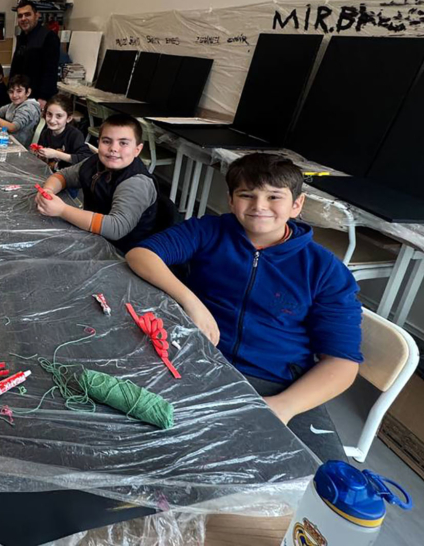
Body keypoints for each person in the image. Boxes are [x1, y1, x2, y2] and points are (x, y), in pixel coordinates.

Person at [125, 154, 362, 461]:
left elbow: (342, 363)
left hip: (275, 382)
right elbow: (142, 255)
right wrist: (192, 302)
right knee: (150, 444)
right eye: (247, 195)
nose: (259, 206)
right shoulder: (209, 230)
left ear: (296, 205)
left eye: (274, 197)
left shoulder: (324, 270)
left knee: (319, 475)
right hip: (198, 362)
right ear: (231, 200)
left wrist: (283, 406)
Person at [36, 113, 163, 254]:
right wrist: (48, 191)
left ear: (137, 150)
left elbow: (116, 228)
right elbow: (64, 175)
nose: (113, 148)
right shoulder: (94, 162)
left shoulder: (136, 183)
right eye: (107, 141)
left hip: (121, 253)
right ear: (99, 142)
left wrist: (62, 210)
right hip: (92, 235)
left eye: (123, 143)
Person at [9, 0, 60, 109]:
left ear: (37, 15)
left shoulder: (48, 37)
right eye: (20, 16)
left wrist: (43, 98)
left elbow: (50, 71)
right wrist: (11, 91)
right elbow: (16, 67)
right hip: (22, 96)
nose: (23, 18)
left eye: (27, 14)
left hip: (38, 99)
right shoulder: (22, 38)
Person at [0, 74, 41, 147]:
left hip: (19, 146)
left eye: (19, 91)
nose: (14, 95)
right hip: (8, 140)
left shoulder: (28, 108)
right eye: (11, 92)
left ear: (28, 92)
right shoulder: (14, 104)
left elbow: (12, 127)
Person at [34, 94, 93, 170]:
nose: (52, 120)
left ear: (68, 118)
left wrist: (56, 154)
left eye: (58, 116)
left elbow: (86, 158)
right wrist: (41, 155)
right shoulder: (45, 133)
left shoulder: (75, 135)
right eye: (49, 114)